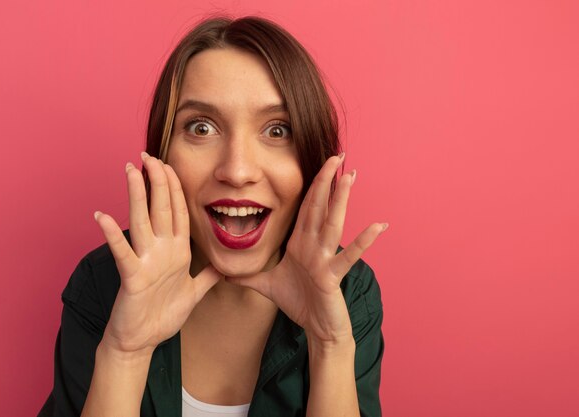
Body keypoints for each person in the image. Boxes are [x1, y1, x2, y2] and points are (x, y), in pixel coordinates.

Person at [39, 15, 387, 417]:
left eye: (277, 131)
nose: (237, 171)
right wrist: (125, 353)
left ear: (313, 160)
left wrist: (330, 346)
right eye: (201, 128)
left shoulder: (348, 295)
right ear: (162, 154)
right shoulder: (106, 283)